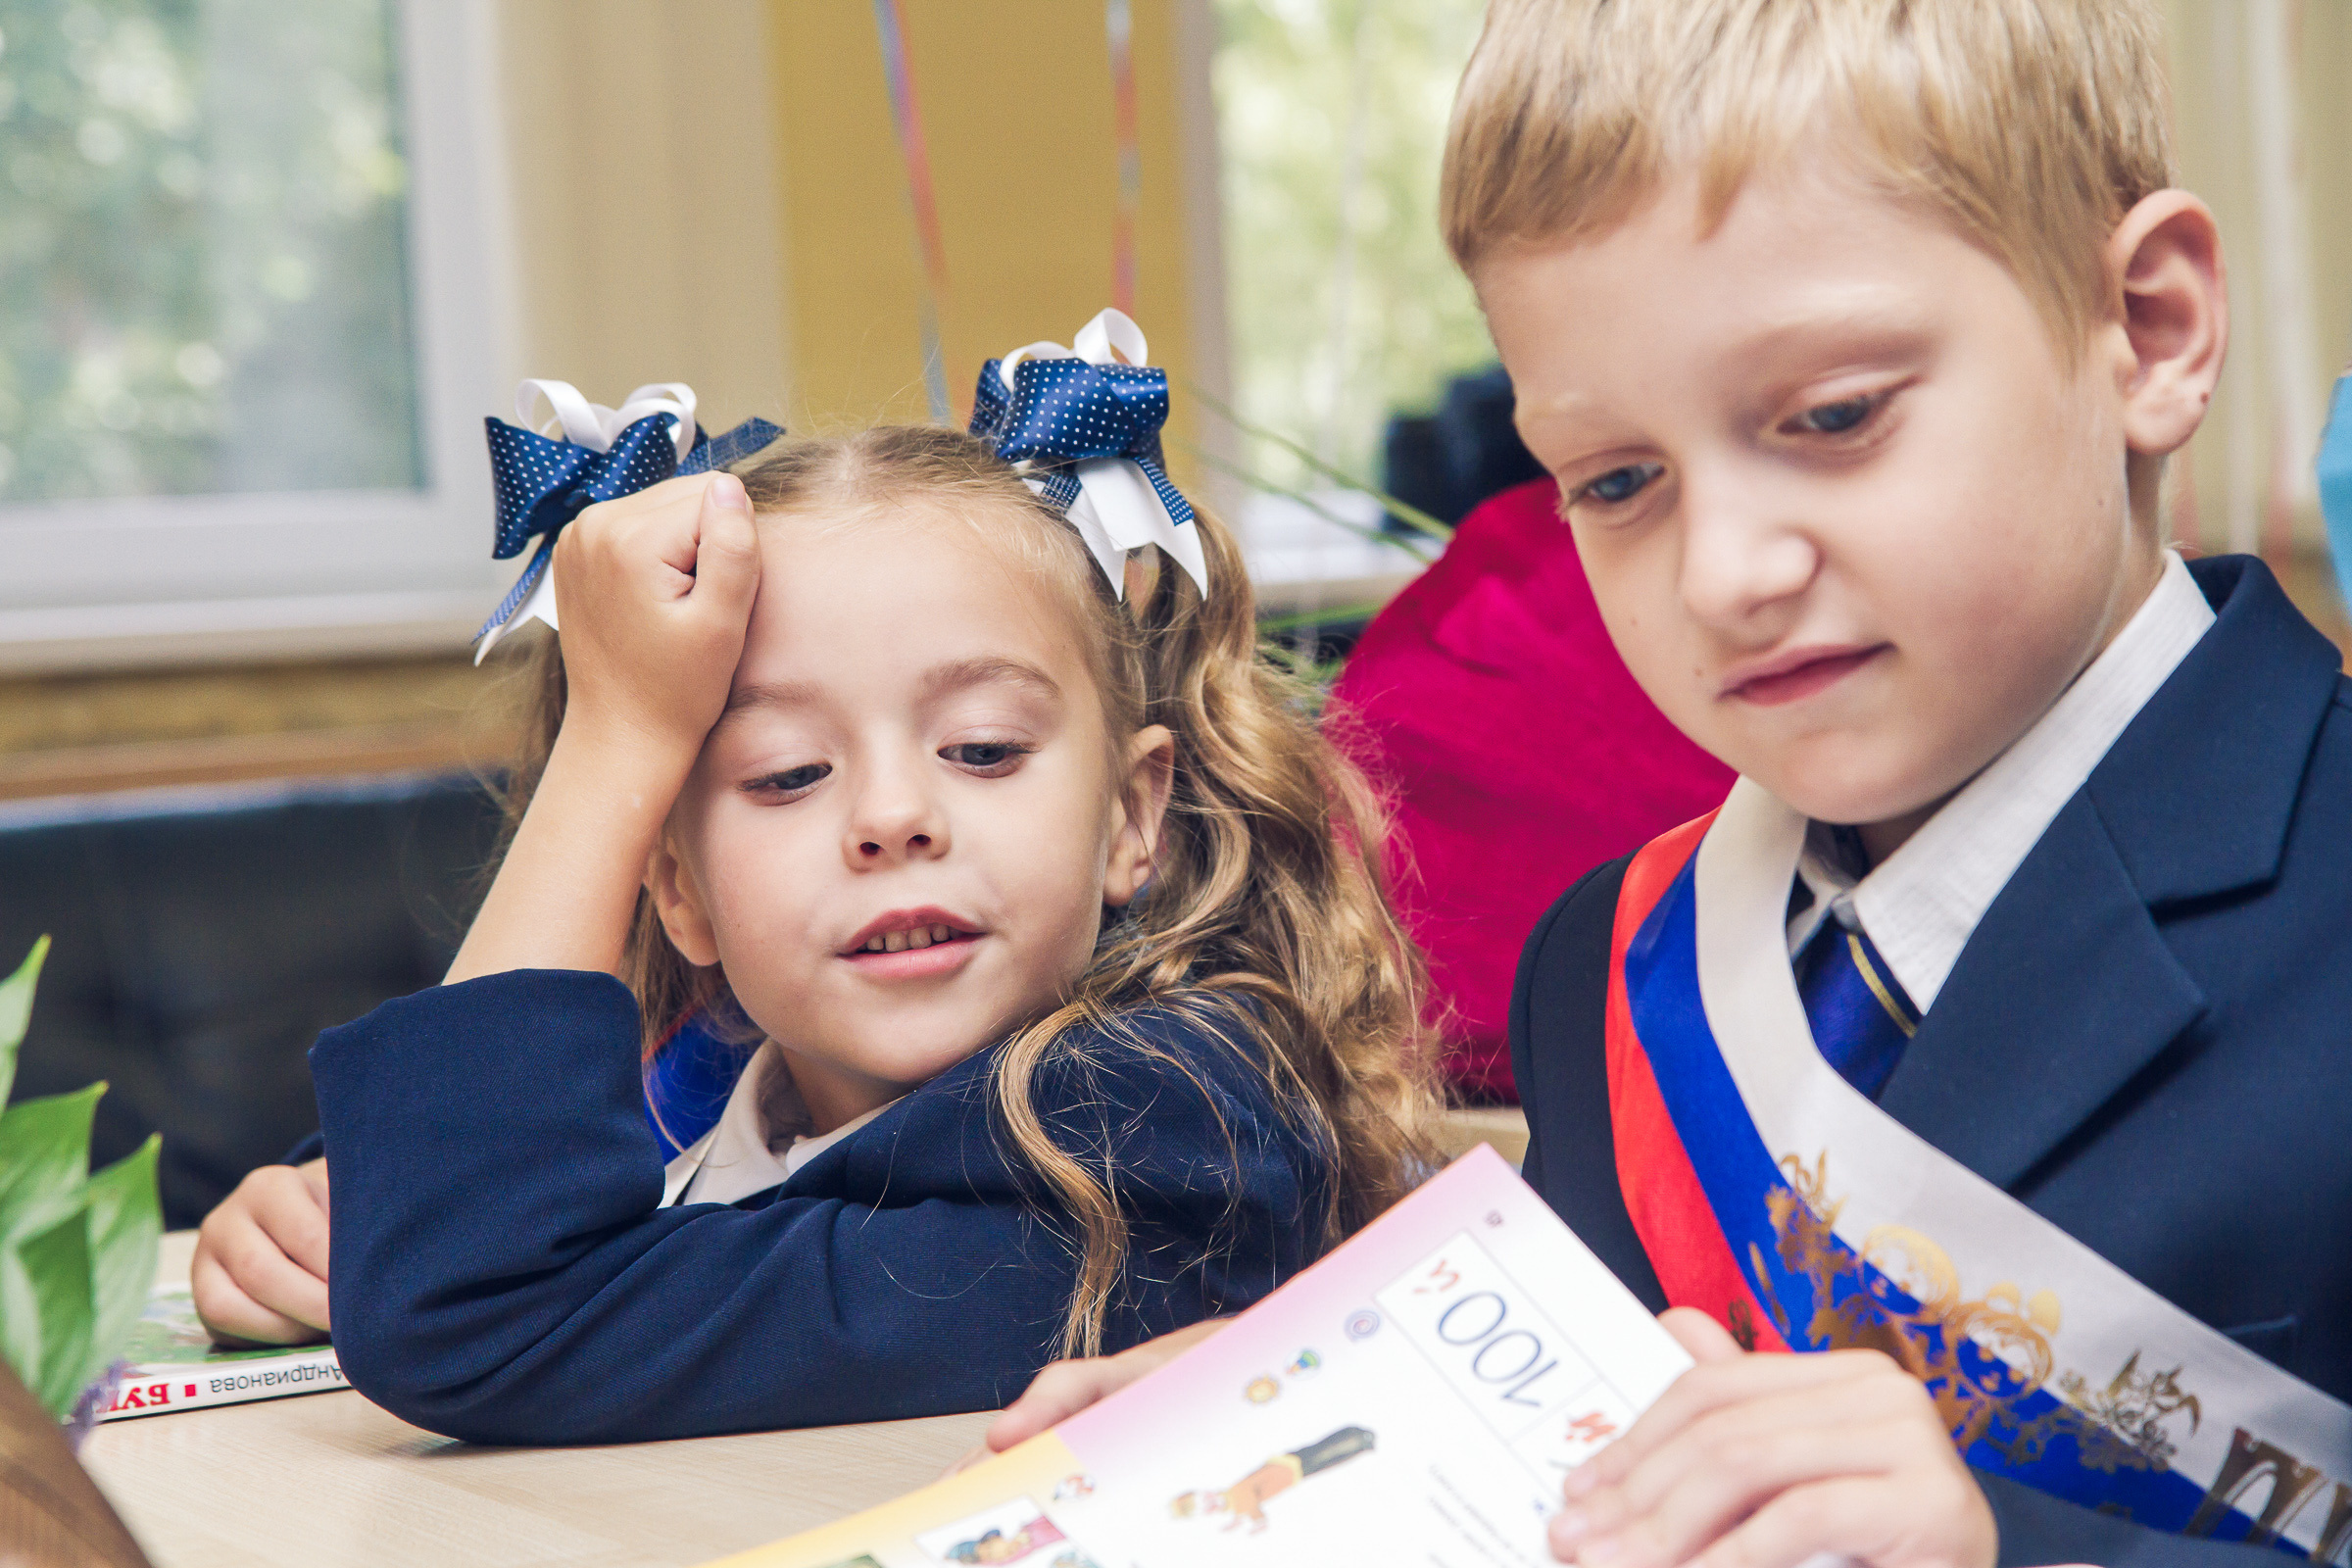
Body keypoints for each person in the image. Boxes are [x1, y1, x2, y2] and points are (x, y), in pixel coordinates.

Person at [977, 5, 2352, 1564]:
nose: (1721, 575)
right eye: (1618, 481)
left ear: (2148, 331)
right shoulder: (1616, 963)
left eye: (1834, 417)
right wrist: (1341, 1416)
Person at [185, 322, 1439, 1444]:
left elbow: (470, 1300)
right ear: (677, 888)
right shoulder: (722, 1071)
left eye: (982, 750)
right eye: (789, 773)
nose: (892, 817)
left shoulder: (1150, 1136)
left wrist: (616, 743)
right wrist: (319, 1218)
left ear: (1130, 815)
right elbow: (500, 1174)